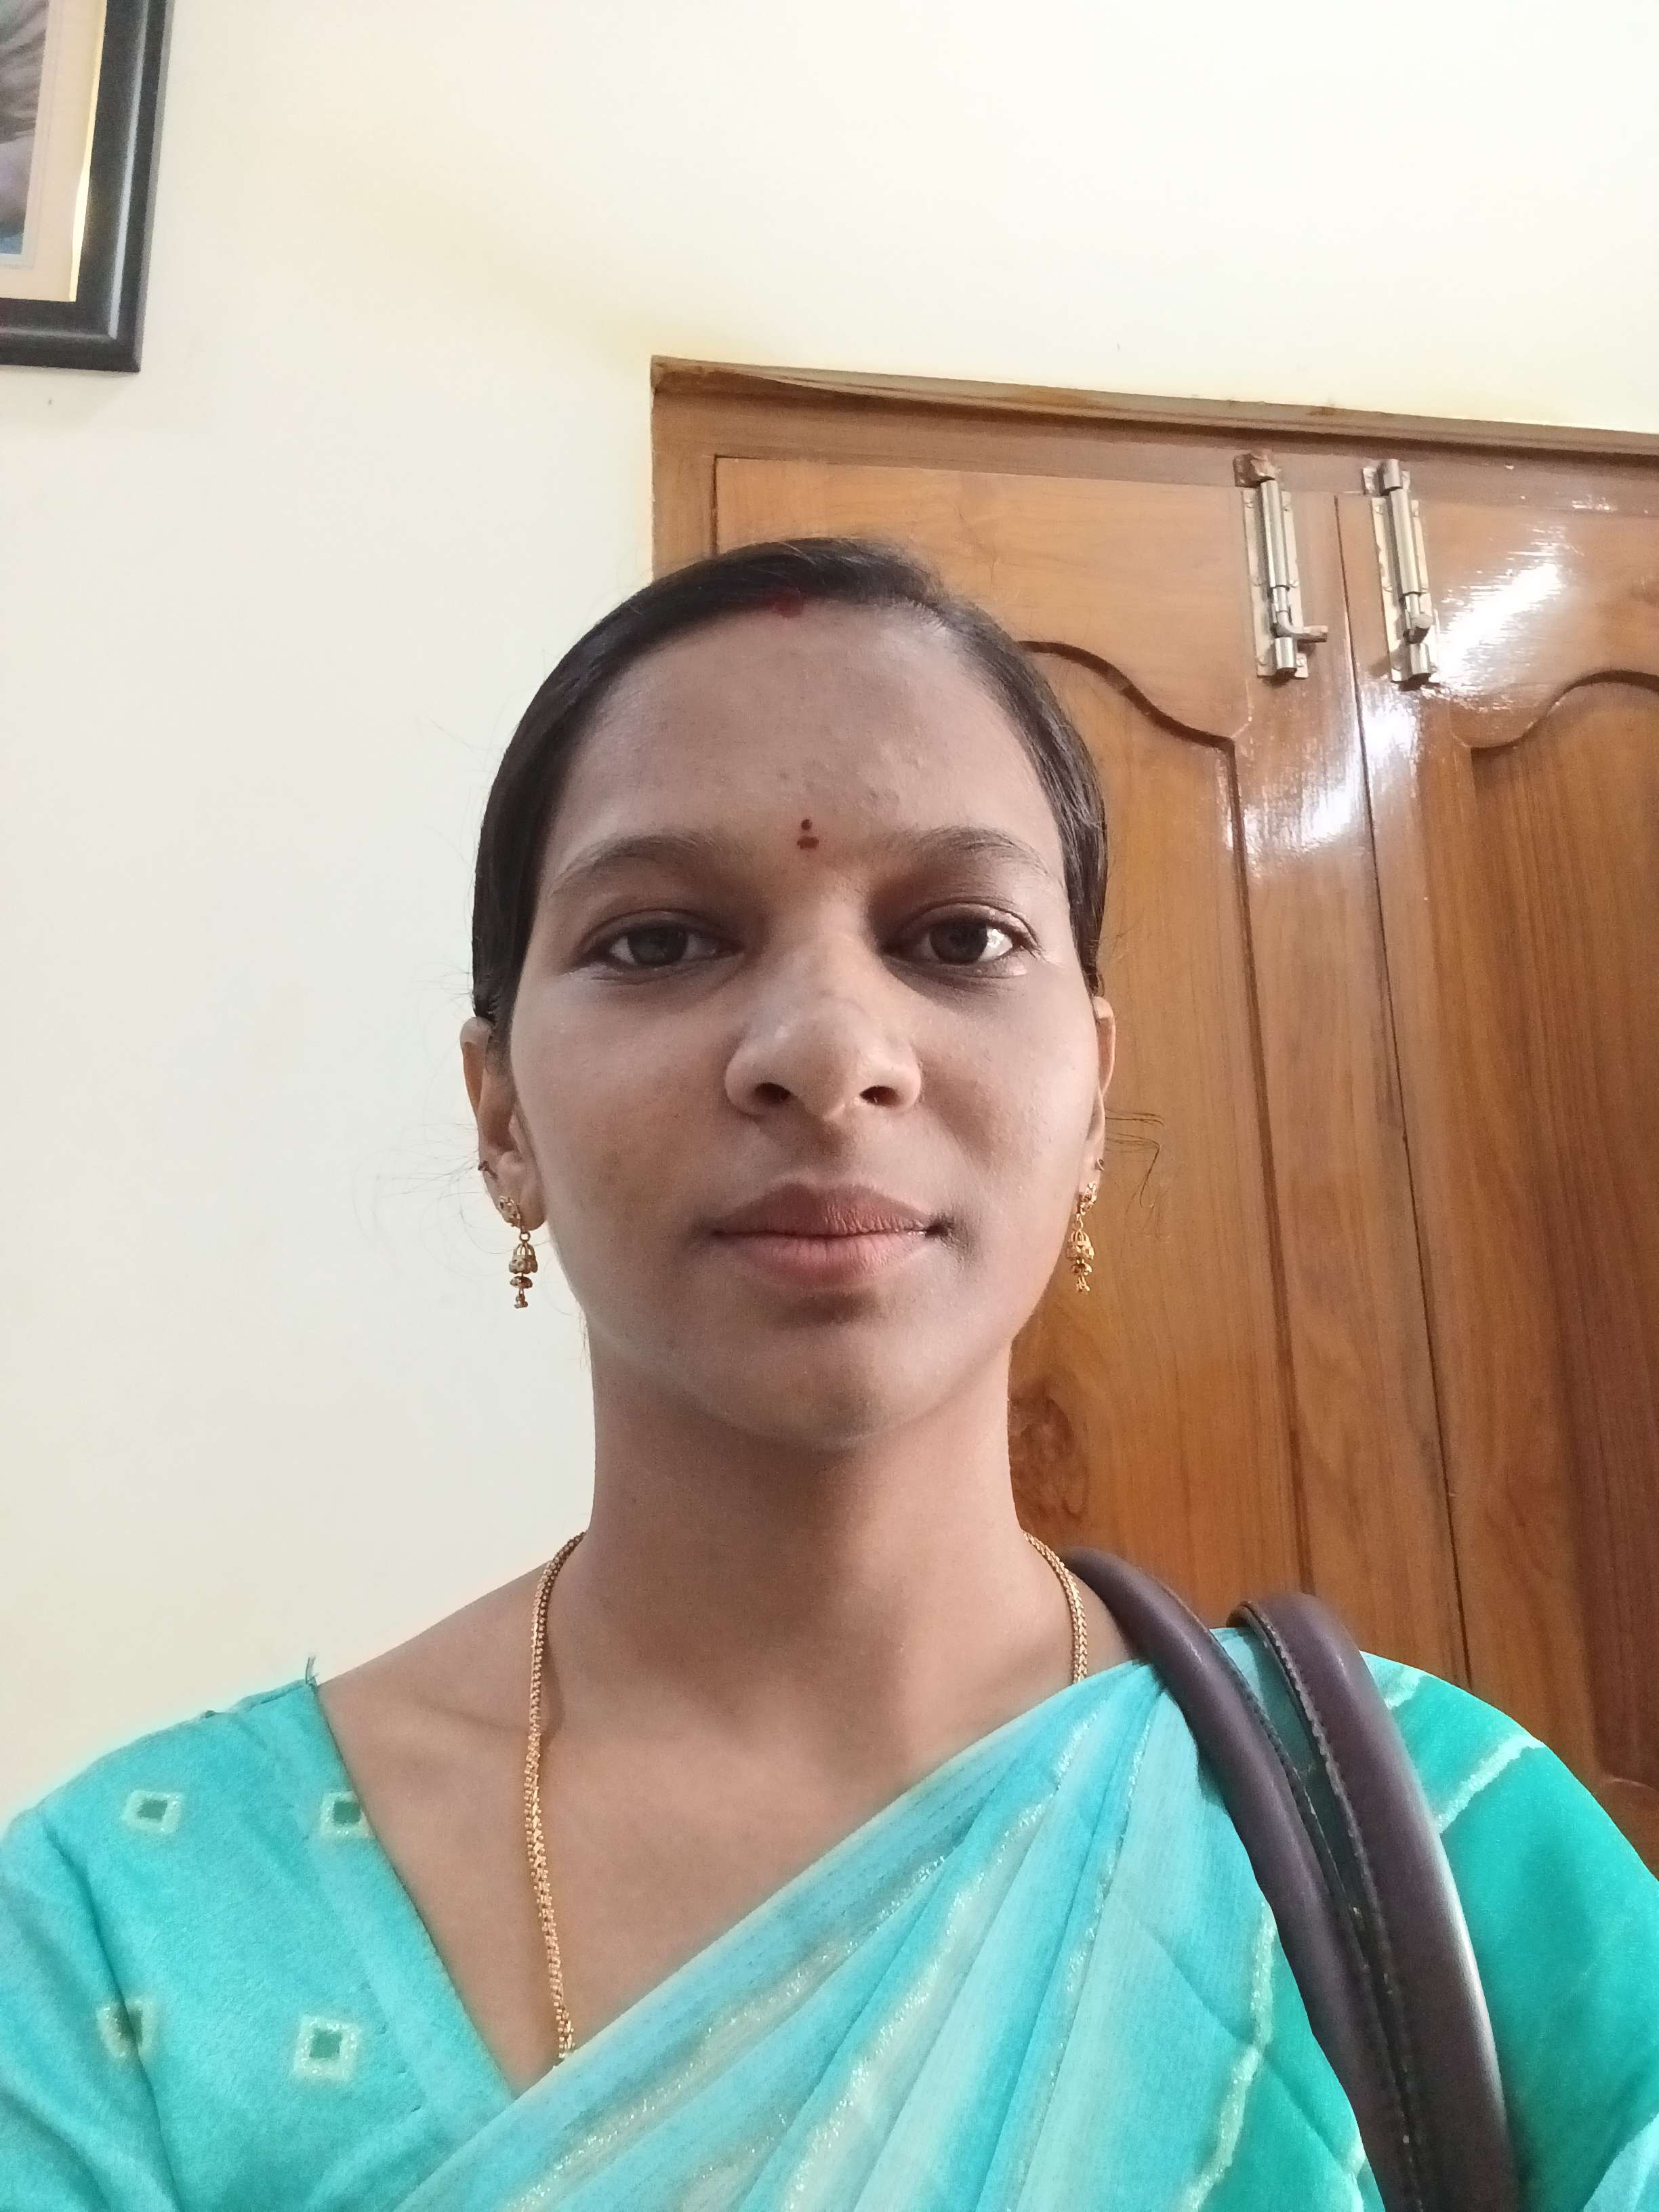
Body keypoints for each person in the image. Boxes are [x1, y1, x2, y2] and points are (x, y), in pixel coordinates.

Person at [3, 538, 1656, 2209]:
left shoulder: (1449, 1858)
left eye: (958, 936)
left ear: (1092, 1094)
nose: (827, 1051)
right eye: (661, 942)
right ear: (501, 1117)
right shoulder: (122, 1940)